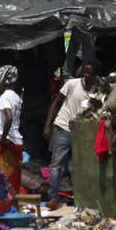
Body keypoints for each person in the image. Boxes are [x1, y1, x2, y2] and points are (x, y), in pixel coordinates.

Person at [43, 63, 97, 209]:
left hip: (80, 133)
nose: (86, 76)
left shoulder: (95, 92)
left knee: (76, 168)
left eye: (90, 74)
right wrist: (48, 125)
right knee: (57, 166)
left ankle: (79, 199)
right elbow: (56, 103)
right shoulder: (72, 84)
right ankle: (53, 198)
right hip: (62, 128)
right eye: (85, 73)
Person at [0, 65, 25, 194]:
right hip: (17, 141)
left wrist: (3, 139)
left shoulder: (5, 97)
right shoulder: (16, 97)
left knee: (3, 178)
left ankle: (7, 206)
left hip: (8, 142)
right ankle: (14, 205)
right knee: (14, 179)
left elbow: (9, 117)